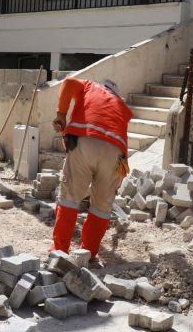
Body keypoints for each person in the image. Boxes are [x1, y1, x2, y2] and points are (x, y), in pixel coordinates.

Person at [51, 78, 132, 260]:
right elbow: (123, 141)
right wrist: (117, 181)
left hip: (87, 140)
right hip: (116, 154)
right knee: (101, 207)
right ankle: (87, 254)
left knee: (69, 199)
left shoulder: (90, 86)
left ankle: (60, 252)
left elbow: (69, 82)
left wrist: (61, 114)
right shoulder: (122, 107)